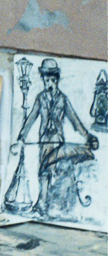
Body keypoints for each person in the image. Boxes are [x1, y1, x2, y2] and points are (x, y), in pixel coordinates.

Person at [12, 58, 99, 216]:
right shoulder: (41, 98)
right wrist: (21, 139)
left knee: (58, 172)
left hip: (58, 141)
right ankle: (41, 205)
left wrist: (88, 137)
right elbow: (31, 119)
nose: (49, 84)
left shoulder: (63, 99)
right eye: (47, 81)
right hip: (45, 141)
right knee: (43, 172)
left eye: (52, 80)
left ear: (57, 80)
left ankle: (57, 206)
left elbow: (75, 121)